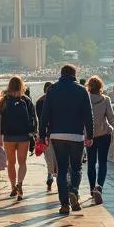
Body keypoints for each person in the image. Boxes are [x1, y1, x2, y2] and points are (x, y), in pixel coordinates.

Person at [40, 64, 94, 215]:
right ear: (74, 74)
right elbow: (88, 115)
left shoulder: (52, 90)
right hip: (76, 135)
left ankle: (64, 204)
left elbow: (45, 114)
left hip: (57, 135)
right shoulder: (82, 90)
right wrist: (90, 135)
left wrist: (42, 135)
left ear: (61, 74)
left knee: (62, 169)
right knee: (76, 167)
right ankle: (74, 191)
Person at [0, 76, 37, 201]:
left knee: (11, 163)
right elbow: (33, 117)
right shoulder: (26, 99)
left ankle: (13, 187)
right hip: (23, 136)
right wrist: (34, 133)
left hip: (9, 136)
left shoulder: (4, 100)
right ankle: (20, 183)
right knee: (22, 163)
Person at [85, 76, 114, 204]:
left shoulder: (85, 100)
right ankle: (100, 187)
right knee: (103, 162)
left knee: (91, 162)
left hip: (90, 135)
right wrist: (110, 128)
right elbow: (112, 118)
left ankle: (92, 189)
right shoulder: (106, 99)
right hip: (104, 135)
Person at [35, 82, 57, 191]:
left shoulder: (39, 101)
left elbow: (40, 119)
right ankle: (58, 176)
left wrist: (41, 135)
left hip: (45, 132)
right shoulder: (56, 100)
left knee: (48, 156)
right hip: (57, 132)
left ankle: (50, 174)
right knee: (57, 155)